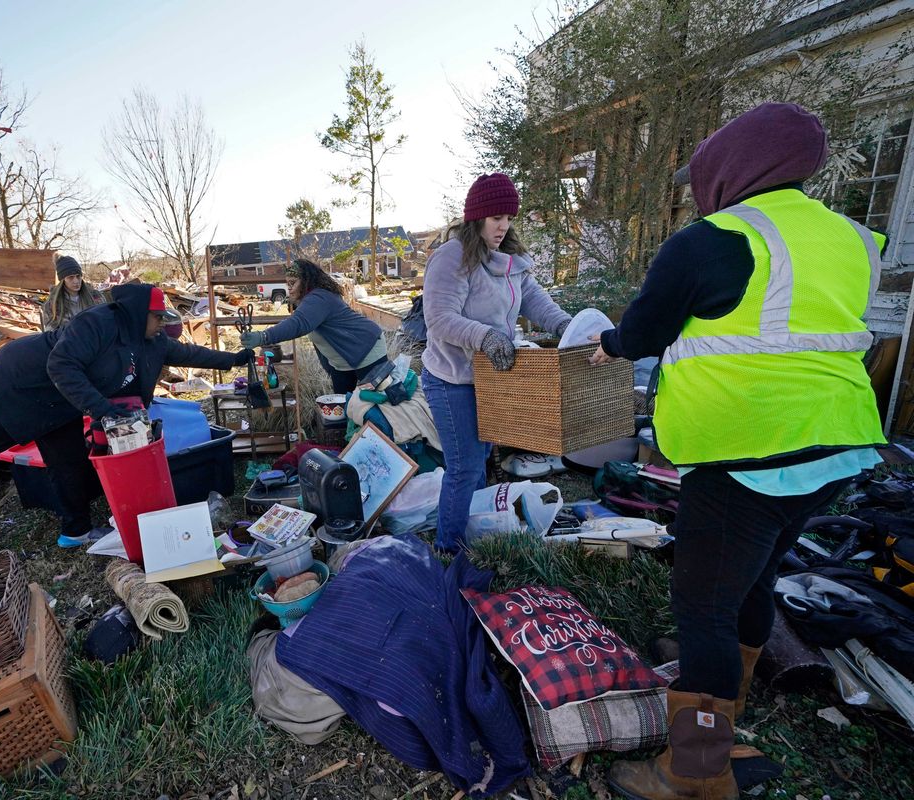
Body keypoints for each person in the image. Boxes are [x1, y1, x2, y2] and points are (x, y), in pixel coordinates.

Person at [589, 103, 885, 800]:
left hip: (750, 454)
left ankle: (696, 771)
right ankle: (731, 694)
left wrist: (607, 345)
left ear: (730, 170)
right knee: (751, 582)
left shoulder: (713, 238)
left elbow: (643, 329)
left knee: (703, 607)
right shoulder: (851, 239)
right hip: (835, 449)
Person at [0, 285, 254, 549]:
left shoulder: (150, 341)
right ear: (139, 314)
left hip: (61, 402)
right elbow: (60, 364)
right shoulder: (96, 324)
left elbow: (189, 353)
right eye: (157, 318)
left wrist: (235, 359)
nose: (162, 326)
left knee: (68, 461)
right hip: (18, 386)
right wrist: (103, 409)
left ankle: (75, 530)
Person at [421, 173, 572, 552]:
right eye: (495, 218)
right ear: (476, 218)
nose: (503, 226)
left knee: (482, 461)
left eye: (508, 217)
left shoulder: (510, 260)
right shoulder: (452, 257)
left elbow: (536, 302)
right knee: (464, 468)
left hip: (492, 380)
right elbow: (438, 317)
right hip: (451, 379)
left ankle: (474, 534)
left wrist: (571, 327)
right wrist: (485, 336)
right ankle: (448, 550)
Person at [237, 259, 389, 393]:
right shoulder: (312, 300)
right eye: (287, 283)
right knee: (345, 406)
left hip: (367, 349)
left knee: (372, 405)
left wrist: (263, 336)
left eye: (293, 283)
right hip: (344, 362)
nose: (289, 288)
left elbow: (297, 323)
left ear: (307, 282)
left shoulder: (319, 298)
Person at [41, 255, 105, 331]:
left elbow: (104, 321)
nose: (76, 281)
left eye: (78, 276)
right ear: (63, 280)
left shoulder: (96, 297)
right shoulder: (53, 304)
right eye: (70, 277)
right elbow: (50, 334)